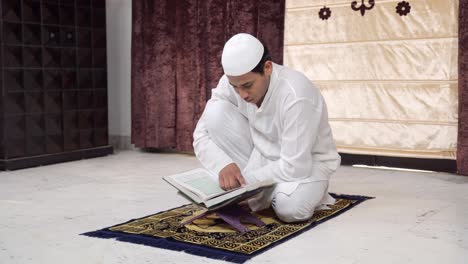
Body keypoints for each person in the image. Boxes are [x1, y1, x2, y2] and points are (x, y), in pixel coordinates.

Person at [193, 33, 341, 223]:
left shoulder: (296, 95)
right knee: (215, 111)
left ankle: (276, 193)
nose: (242, 95)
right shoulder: (234, 83)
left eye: (247, 85)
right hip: (260, 156)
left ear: (268, 68)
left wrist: (244, 181)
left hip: (306, 164)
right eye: (235, 87)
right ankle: (259, 194)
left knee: (291, 209)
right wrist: (224, 165)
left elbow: (294, 167)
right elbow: (201, 134)